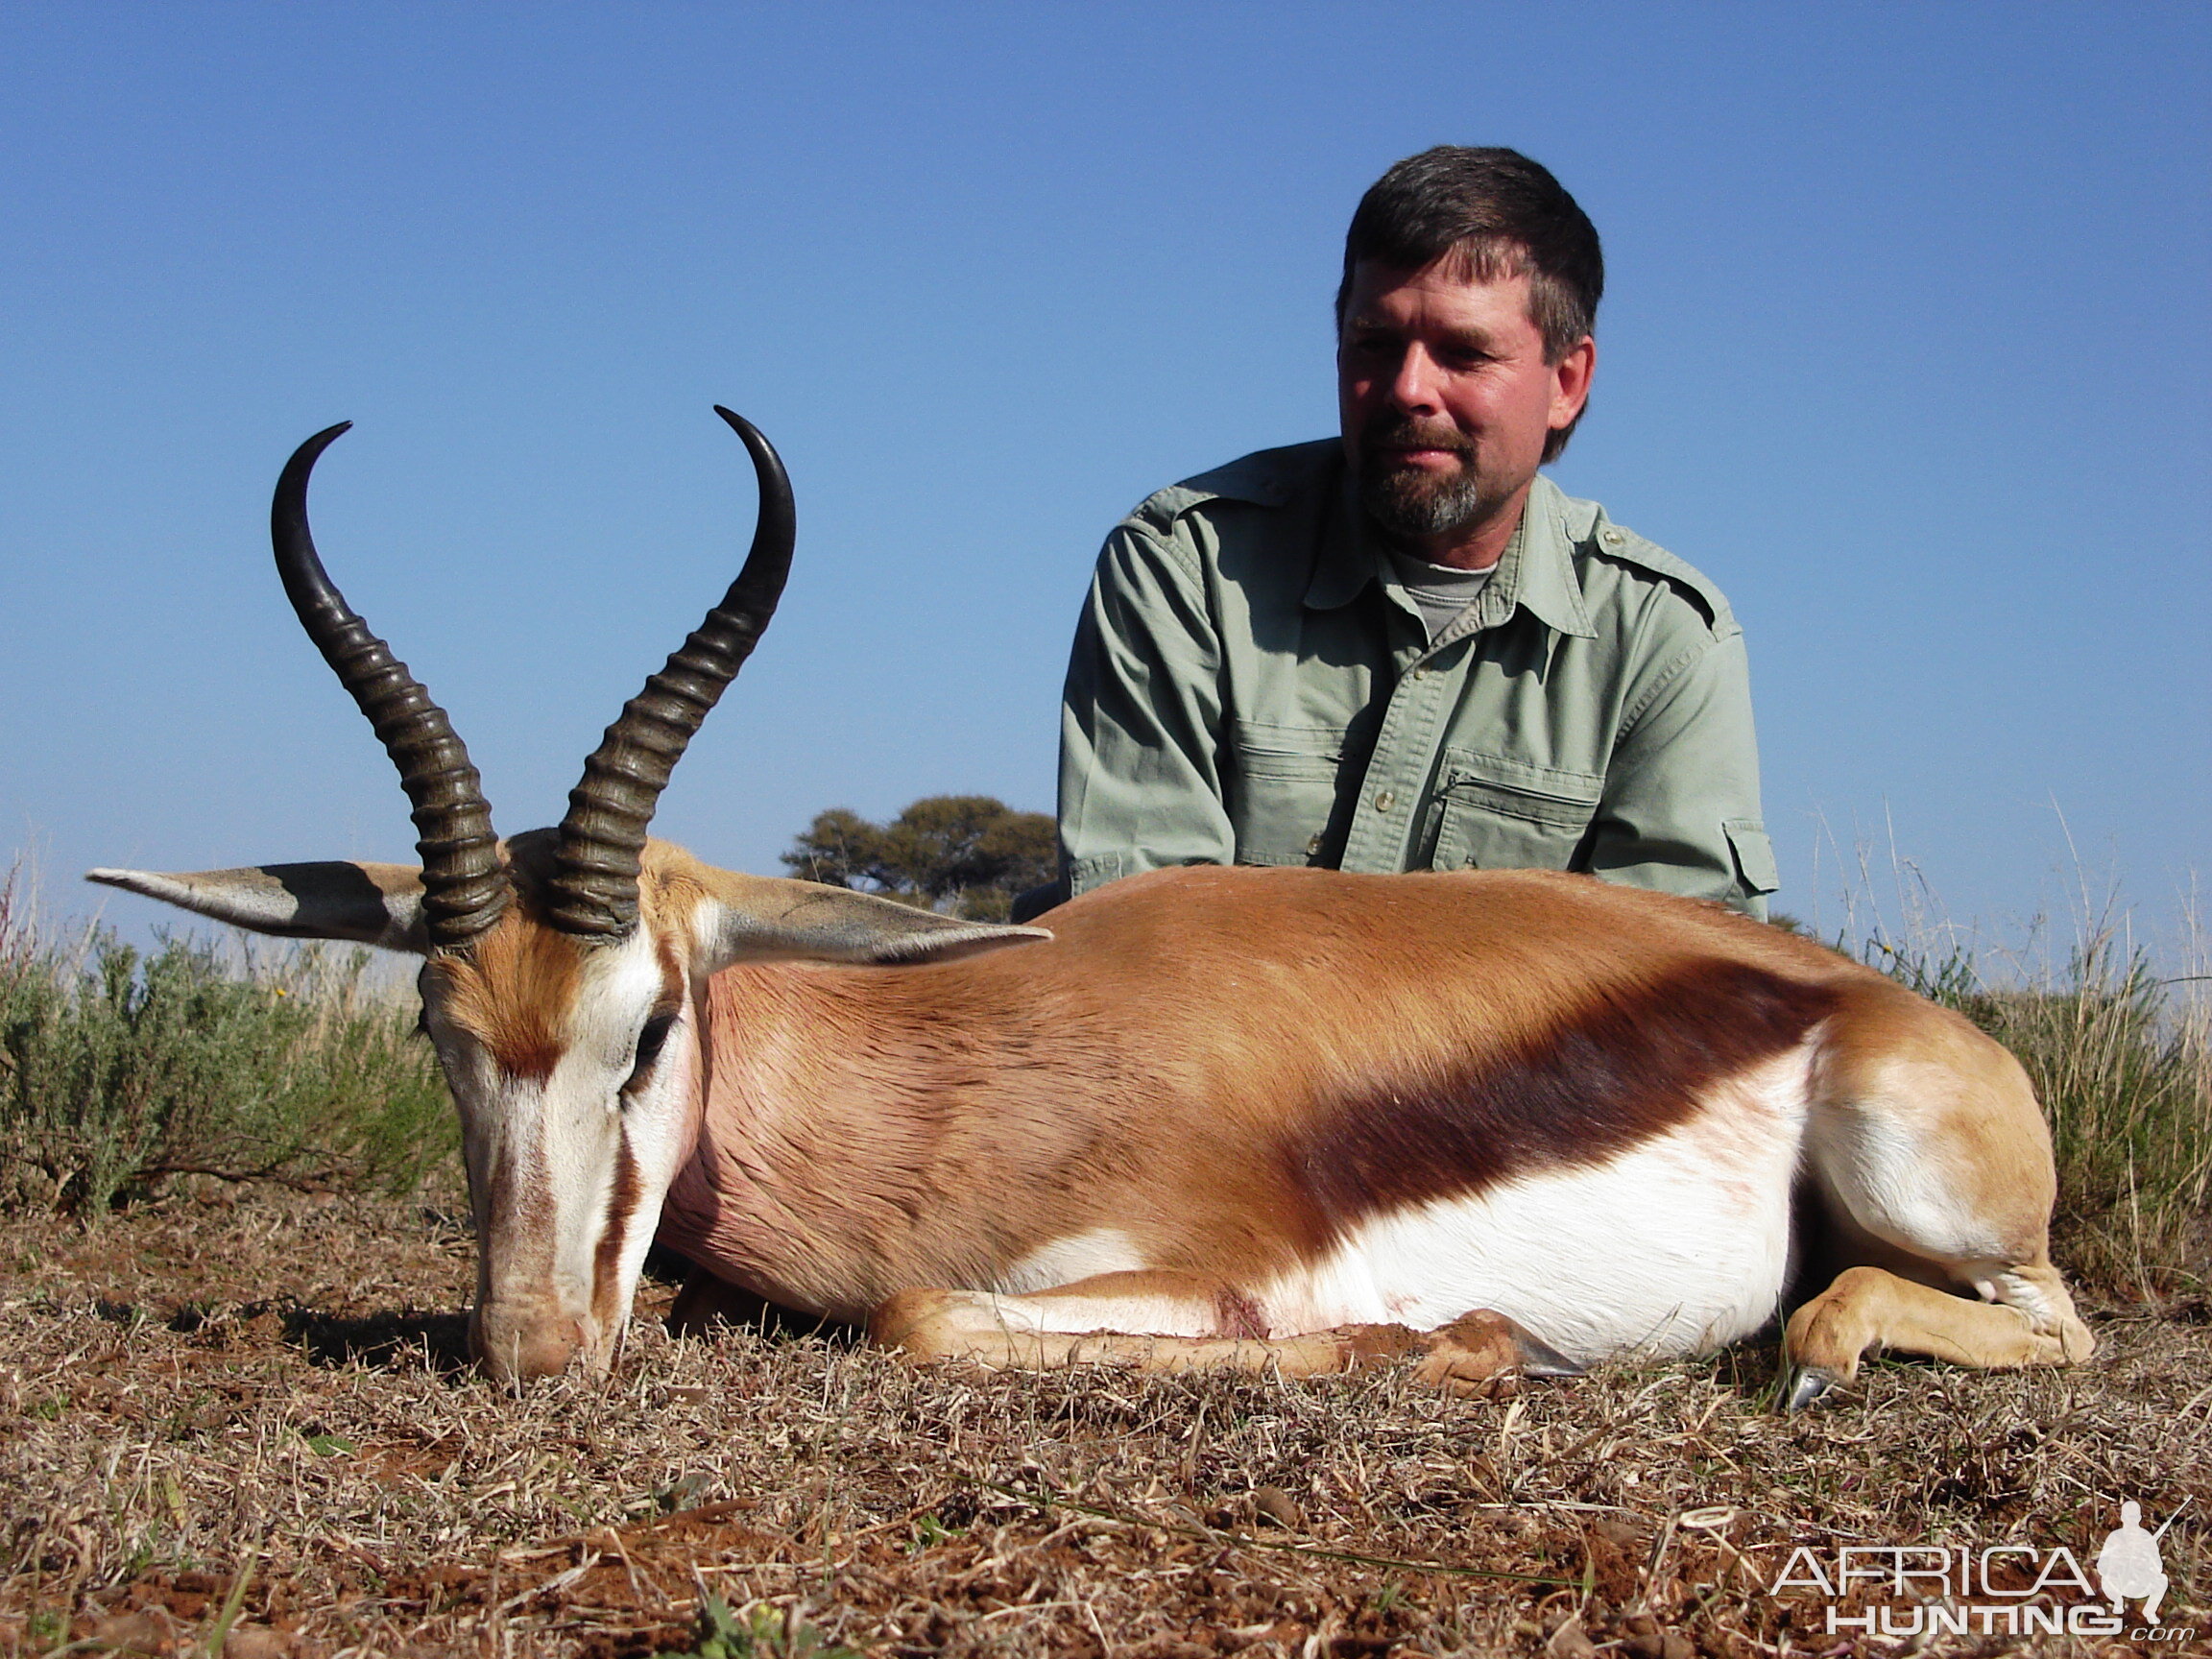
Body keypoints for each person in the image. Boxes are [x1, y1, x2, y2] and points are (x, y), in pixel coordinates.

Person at [1020, 146, 1776, 924]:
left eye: (1465, 353)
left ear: (1568, 383)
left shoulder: (1665, 643)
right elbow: (1145, 943)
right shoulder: (1186, 565)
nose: (1409, 389)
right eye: (1375, 344)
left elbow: (1668, 998)